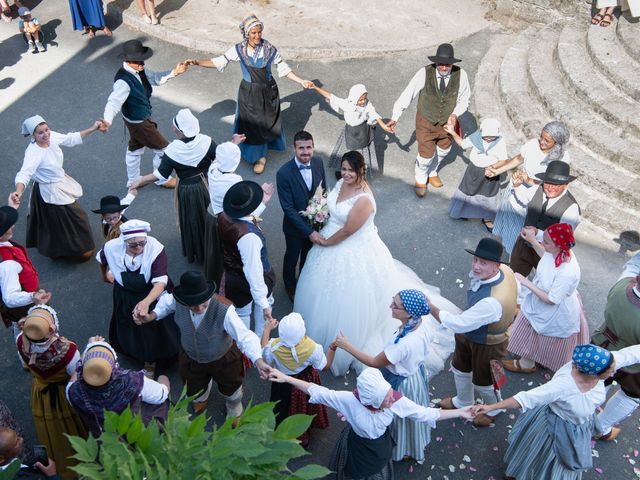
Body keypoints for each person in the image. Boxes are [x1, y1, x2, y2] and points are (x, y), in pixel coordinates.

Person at [294, 151, 458, 376]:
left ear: (361, 170)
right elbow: (331, 205)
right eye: (344, 169)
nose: (346, 174)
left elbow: (348, 231)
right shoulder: (342, 182)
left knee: (345, 296)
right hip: (330, 238)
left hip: (347, 247)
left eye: (351, 170)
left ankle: (339, 344)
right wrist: (320, 214)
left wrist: (324, 242)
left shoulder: (364, 201)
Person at [269, 367, 474, 479]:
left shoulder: (394, 399)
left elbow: (425, 413)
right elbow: (317, 391)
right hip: (358, 446)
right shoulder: (349, 400)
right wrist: (286, 378)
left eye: (389, 393)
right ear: (372, 402)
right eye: (386, 398)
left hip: (378, 446)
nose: (392, 398)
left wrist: (460, 412)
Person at [473, 344, 640, 480]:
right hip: (554, 428)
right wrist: (490, 407)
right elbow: (524, 398)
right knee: (540, 455)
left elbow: (630, 354)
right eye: (610, 370)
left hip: (579, 426)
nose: (615, 370)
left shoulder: (599, 363)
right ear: (594, 373)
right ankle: (516, 474)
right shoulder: (563, 385)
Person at [187, 13, 315, 174]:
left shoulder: (269, 49)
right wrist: (197, 62)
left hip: (268, 91)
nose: (257, 36)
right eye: (253, 33)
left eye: (259, 32)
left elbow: (284, 68)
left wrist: (301, 81)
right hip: (248, 92)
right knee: (250, 124)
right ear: (246, 34)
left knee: (265, 124)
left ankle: (261, 157)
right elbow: (218, 62)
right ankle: (252, 153)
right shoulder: (238, 49)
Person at [139, 270, 272, 417]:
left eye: (204, 303)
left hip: (223, 358)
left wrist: (258, 360)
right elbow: (165, 305)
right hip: (191, 357)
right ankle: (201, 397)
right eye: (193, 305)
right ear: (184, 300)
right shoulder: (177, 301)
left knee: (231, 385)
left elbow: (244, 336)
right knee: (193, 385)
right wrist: (152, 316)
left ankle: (234, 406)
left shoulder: (224, 310)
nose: (200, 308)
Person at [333, 289, 439, 463]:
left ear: (409, 312)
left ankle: (402, 446)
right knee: (412, 412)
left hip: (400, 381)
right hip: (415, 377)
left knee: (399, 413)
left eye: (395, 306)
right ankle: (412, 442)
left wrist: (347, 346)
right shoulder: (422, 324)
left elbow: (375, 362)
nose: (391, 306)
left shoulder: (402, 345)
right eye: (393, 301)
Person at [428, 237, 517, 427]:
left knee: (486, 381)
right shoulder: (506, 271)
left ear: (496, 266)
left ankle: (495, 408)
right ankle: (463, 401)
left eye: (483, 263)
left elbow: (459, 324)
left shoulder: (491, 302)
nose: (476, 266)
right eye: (475, 260)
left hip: (488, 343)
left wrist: (431, 308)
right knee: (460, 368)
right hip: (471, 331)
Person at [130, 109, 228, 264]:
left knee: (193, 219)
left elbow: (161, 175)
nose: (172, 129)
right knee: (212, 215)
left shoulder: (173, 150)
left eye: (175, 127)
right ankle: (216, 245)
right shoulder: (207, 141)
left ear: (181, 131)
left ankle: (199, 249)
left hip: (187, 189)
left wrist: (140, 180)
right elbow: (220, 158)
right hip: (208, 184)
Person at [100, 39, 189, 188]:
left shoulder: (140, 70)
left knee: (135, 149)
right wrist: (107, 121)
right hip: (139, 122)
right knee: (164, 149)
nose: (142, 64)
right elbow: (113, 102)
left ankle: (133, 180)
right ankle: (162, 179)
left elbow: (155, 78)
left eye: (142, 60)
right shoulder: (123, 81)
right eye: (137, 61)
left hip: (136, 119)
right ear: (128, 61)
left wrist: (175, 72)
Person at [96, 219, 180, 377]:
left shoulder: (155, 249)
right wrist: (105, 276)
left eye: (142, 243)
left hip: (152, 294)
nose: (139, 247)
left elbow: (160, 282)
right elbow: (102, 259)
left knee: (154, 329)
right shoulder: (112, 247)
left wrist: (146, 302)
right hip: (125, 296)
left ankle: (152, 360)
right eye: (133, 245)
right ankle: (143, 356)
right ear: (124, 241)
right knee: (131, 326)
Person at [11, 115, 100, 261]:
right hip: (50, 191)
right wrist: (18, 192)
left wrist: (93, 128)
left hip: (58, 183)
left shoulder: (51, 138)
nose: (45, 134)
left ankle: (58, 249)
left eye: (46, 130)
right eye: (40, 132)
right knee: (76, 218)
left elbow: (70, 139)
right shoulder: (33, 152)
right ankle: (78, 249)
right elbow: (24, 173)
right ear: (33, 135)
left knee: (54, 222)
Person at [388, 43, 471, 197]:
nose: (444, 68)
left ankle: (432, 172)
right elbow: (408, 94)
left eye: (447, 65)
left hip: (447, 123)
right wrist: (395, 117)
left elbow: (464, 100)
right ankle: (420, 178)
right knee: (426, 155)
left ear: (452, 63)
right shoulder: (424, 73)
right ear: (436, 62)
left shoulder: (461, 75)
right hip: (426, 121)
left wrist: (454, 114)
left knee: (444, 149)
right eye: (441, 64)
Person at [504, 223, 590, 373]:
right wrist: (532, 241)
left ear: (558, 246)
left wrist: (526, 282)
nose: (542, 244)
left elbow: (552, 299)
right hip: (540, 300)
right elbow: (546, 255)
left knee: (542, 335)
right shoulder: (558, 253)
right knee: (533, 330)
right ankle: (528, 362)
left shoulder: (567, 272)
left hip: (555, 310)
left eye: (546, 242)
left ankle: (529, 364)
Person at [16, 306, 87, 479]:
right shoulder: (69, 350)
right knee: (71, 425)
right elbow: (77, 374)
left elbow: (26, 364)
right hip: (62, 392)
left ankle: (56, 456)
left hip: (41, 391)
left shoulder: (20, 340)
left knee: (49, 426)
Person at [488, 121, 571, 254]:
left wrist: (528, 180)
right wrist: (496, 171)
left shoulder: (562, 158)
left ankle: (514, 257)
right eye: (541, 137)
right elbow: (518, 159)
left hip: (533, 197)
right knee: (508, 222)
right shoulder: (533, 144)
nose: (542, 142)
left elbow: (552, 183)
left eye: (547, 141)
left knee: (520, 232)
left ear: (557, 143)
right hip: (516, 188)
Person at [67, 337, 170, 437]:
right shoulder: (132, 381)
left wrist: (88, 350)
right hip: (135, 430)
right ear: (114, 366)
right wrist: (163, 378)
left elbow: (75, 377)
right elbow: (161, 395)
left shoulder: (74, 392)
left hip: (104, 435)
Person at [206, 141, 274, 287]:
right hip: (229, 219)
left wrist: (232, 142)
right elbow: (244, 212)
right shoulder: (235, 181)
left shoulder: (212, 169)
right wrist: (262, 201)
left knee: (219, 250)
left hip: (213, 214)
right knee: (235, 251)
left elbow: (219, 160)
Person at [261, 312, 333, 446]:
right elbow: (324, 366)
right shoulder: (313, 348)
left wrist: (266, 330)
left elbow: (264, 354)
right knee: (303, 408)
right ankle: (302, 436)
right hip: (304, 382)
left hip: (281, 383)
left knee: (281, 406)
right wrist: (332, 349)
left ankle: (279, 431)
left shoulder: (274, 346)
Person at [217, 182, 276, 337]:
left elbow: (244, 218)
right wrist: (264, 304)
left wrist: (262, 203)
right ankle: (256, 344)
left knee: (241, 312)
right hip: (251, 279)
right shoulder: (249, 238)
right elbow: (253, 272)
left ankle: (243, 347)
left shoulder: (224, 215)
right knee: (255, 313)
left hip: (232, 277)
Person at [592, 253, 640, 441]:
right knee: (631, 396)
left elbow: (633, 264)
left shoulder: (621, 285)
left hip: (602, 345)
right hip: (635, 366)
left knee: (595, 383)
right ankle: (601, 428)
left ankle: (583, 416)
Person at [276, 131, 327, 302]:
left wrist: (323, 214)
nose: (306, 152)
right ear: (294, 149)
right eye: (301, 148)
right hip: (294, 228)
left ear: (313, 147)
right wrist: (309, 232)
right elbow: (288, 209)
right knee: (292, 257)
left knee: (308, 256)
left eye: (309, 147)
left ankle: (304, 282)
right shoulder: (283, 173)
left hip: (315, 224)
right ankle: (290, 286)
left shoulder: (319, 162)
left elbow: (323, 190)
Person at [510, 160, 581, 277]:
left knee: (542, 286)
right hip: (524, 245)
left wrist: (536, 233)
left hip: (548, 255)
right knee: (514, 279)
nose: (550, 188)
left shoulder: (571, 209)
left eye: (556, 184)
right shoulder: (538, 188)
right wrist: (517, 187)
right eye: (548, 182)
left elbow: (563, 241)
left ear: (566, 185)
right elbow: (523, 199)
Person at [313, 83, 392, 178]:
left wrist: (383, 125)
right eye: (360, 99)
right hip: (350, 132)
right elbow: (331, 96)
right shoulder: (347, 104)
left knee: (361, 154)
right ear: (354, 98)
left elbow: (373, 113)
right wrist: (315, 87)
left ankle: (359, 174)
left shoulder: (367, 103)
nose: (363, 101)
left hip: (363, 132)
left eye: (364, 98)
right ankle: (343, 171)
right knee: (346, 152)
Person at [446, 118, 508, 231]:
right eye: (486, 136)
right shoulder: (476, 137)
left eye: (492, 136)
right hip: (474, 171)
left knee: (488, 196)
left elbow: (503, 160)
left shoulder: (500, 141)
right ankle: (462, 212)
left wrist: (492, 168)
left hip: (491, 173)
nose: (489, 139)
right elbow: (463, 144)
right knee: (467, 192)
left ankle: (486, 218)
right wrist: (452, 132)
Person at [0, 203, 50, 337]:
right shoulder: (7, 264)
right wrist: (32, 296)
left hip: (26, 294)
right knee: (29, 330)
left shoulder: (3, 244)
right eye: (8, 226)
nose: (13, 226)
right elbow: (10, 298)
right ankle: (25, 350)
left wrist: (11, 207)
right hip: (23, 305)